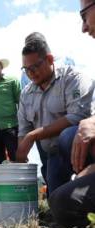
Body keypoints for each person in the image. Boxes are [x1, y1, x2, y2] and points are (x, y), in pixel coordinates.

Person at [16, 36, 94, 195]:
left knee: (67, 135)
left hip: (80, 147)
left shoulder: (73, 78)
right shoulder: (26, 94)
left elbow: (77, 117)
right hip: (52, 154)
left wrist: (32, 136)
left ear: (50, 59)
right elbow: (24, 130)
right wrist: (20, 155)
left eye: (35, 67)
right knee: (58, 201)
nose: (31, 74)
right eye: (26, 69)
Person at [49, 0, 95, 228]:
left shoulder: (76, 78)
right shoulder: (28, 92)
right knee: (69, 137)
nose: (83, 28)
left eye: (84, 16)